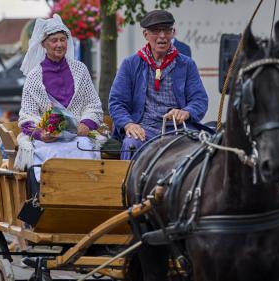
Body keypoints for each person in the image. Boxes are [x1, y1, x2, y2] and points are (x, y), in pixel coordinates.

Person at [109, 10, 208, 160]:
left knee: (205, 149)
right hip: (143, 128)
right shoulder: (130, 64)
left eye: (167, 30)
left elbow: (200, 100)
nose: (162, 36)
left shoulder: (187, 64)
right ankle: (127, 183)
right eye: (156, 31)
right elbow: (116, 103)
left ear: (173, 33)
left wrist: (186, 112)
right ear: (146, 35)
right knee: (131, 143)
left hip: (179, 129)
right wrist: (129, 124)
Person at [15, 15, 103, 173]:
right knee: (49, 156)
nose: (59, 44)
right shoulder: (33, 77)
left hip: (78, 136)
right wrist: (42, 134)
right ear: (43, 44)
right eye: (54, 40)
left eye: (63, 40)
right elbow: (27, 115)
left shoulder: (80, 70)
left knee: (84, 148)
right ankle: (46, 195)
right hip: (48, 141)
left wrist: (86, 124)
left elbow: (93, 104)